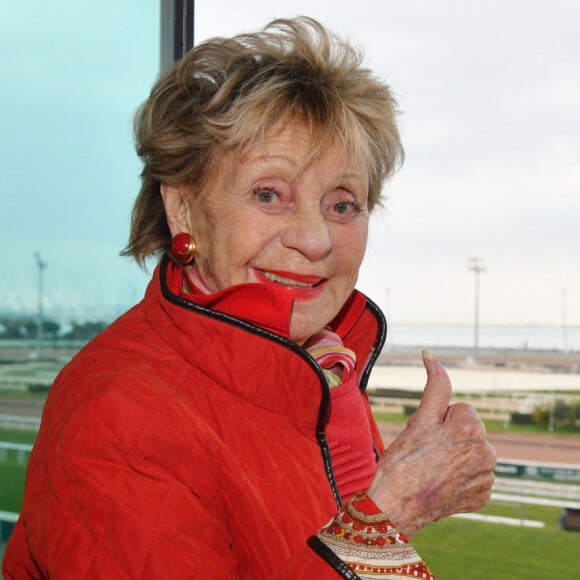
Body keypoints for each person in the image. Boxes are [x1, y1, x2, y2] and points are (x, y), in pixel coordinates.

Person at [3, 17, 496, 579]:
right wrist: (390, 517)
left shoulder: (320, 370)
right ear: (184, 208)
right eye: (269, 194)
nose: (313, 240)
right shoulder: (122, 415)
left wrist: (388, 510)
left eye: (342, 204)